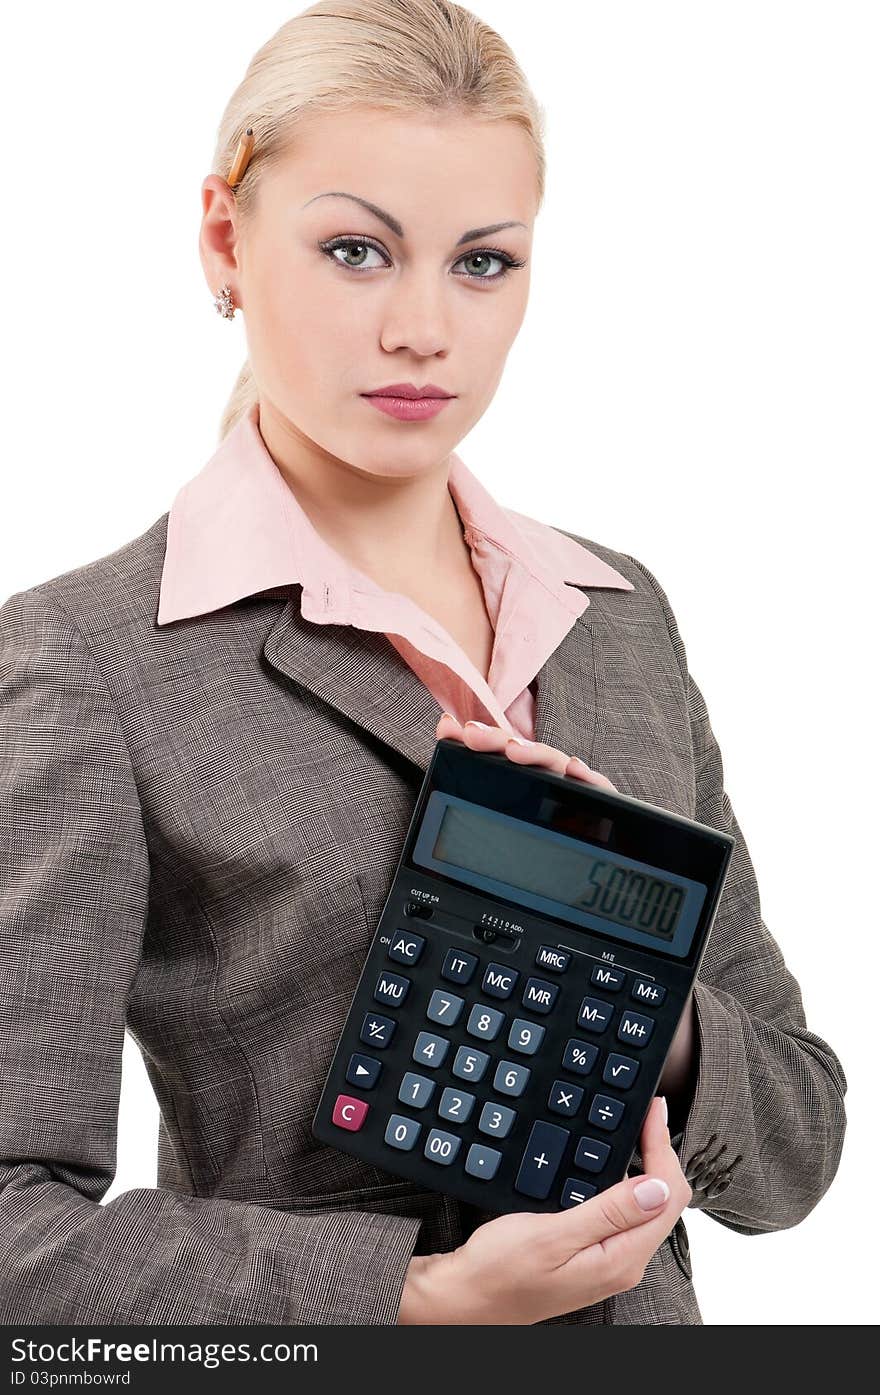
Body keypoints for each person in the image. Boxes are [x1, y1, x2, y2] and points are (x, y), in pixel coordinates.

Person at [0, 0, 846, 1327]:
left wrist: (625, 981)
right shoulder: (90, 663)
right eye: (354, 251)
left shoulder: (615, 617)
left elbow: (798, 1149)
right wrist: (413, 1299)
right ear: (225, 239)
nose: (422, 330)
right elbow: (13, 1232)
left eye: (482, 262)